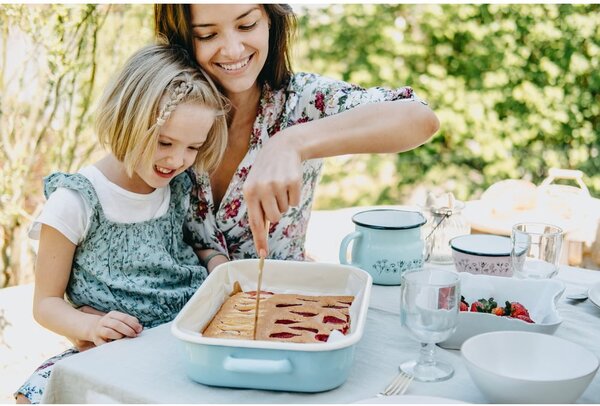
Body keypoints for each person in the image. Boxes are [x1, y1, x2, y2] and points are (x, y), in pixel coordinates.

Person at [14, 44, 228, 404]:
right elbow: (46, 303)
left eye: (193, 147)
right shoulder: (76, 201)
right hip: (120, 343)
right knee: (39, 394)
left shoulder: (176, 185)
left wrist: (215, 262)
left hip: (189, 335)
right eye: (164, 142)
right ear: (128, 120)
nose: (178, 159)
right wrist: (89, 326)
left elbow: (183, 248)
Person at [155, 4, 440, 270]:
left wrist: (291, 142)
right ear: (182, 37)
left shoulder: (303, 100)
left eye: (247, 25)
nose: (232, 49)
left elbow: (420, 118)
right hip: (170, 313)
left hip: (283, 310)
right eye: (207, 34)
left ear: (269, 18)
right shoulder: (161, 99)